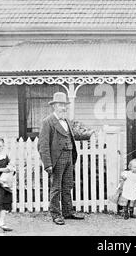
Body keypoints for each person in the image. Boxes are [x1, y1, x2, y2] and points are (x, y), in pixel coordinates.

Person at [38, 92, 85, 225]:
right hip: (56, 158)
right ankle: (56, 214)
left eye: (64, 105)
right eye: (60, 105)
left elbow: (70, 136)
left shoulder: (66, 121)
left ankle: (68, 211)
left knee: (68, 186)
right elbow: (43, 145)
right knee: (56, 188)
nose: (63, 107)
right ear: (54, 106)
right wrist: (47, 164)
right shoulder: (48, 121)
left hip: (69, 156)